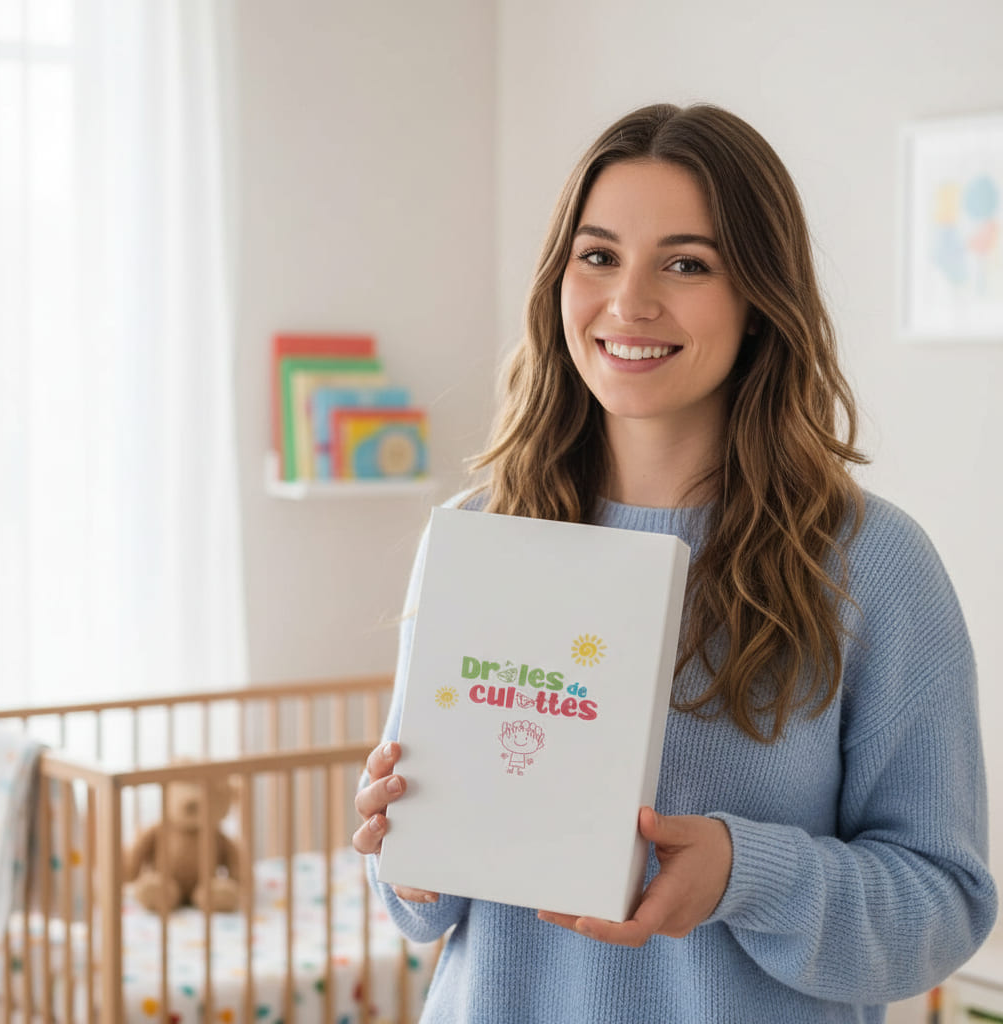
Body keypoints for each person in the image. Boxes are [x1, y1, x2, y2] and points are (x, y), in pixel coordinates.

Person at [352, 102, 998, 1023]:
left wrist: (744, 873)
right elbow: (425, 909)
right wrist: (401, 851)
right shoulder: (479, 530)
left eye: (686, 264)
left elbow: (944, 905)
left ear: (759, 298)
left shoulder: (874, 565)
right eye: (599, 255)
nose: (630, 302)